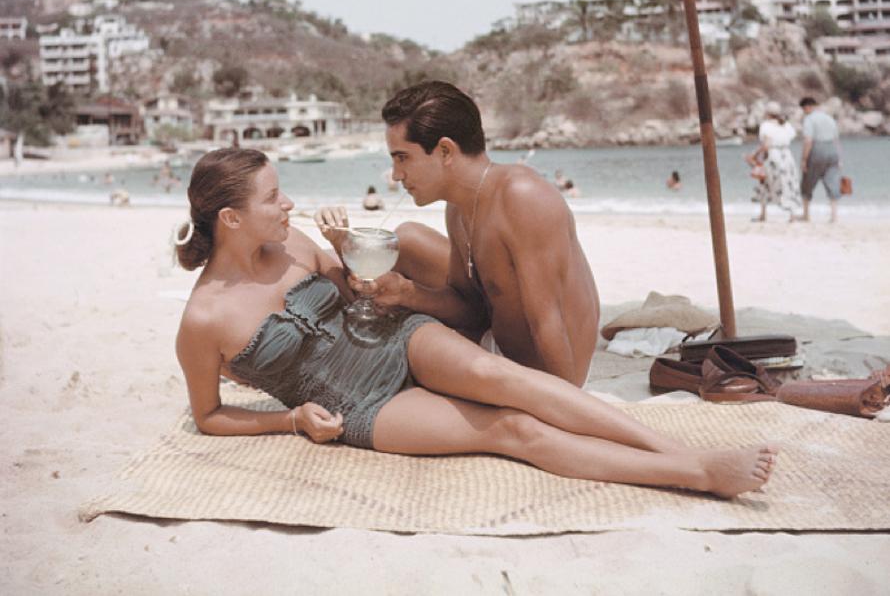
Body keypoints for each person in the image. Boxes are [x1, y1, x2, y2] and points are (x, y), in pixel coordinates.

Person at [173, 148, 777, 499]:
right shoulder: (201, 321)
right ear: (230, 218)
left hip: (393, 339)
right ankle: (693, 472)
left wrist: (343, 247)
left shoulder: (296, 244)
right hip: (354, 403)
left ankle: (675, 445)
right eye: (273, 197)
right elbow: (209, 416)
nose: (287, 204)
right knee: (512, 431)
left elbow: (359, 291)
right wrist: (291, 419)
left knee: (504, 378)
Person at [317, 81, 600, 387]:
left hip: (543, 372)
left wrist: (567, 406)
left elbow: (549, 323)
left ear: (445, 151)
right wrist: (405, 292)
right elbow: (471, 309)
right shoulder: (459, 208)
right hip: (495, 344)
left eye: (402, 158)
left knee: (381, 361)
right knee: (393, 243)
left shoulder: (523, 196)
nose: (397, 175)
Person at [747, 101, 802, 223]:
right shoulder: (786, 125)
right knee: (789, 183)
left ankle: (763, 214)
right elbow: (792, 137)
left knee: (765, 182)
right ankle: (792, 215)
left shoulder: (766, 126)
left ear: (767, 113)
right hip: (787, 155)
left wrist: (755, 154)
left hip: (773, 155)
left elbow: (766, 145)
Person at [798, 97, 842, 223]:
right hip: (833, 150)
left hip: (818, 149)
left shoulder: (809, 119)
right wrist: (839, 158)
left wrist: (804, 159)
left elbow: (808, 141)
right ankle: (834, 216)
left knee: (808, 181)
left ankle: (806, 215)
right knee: (832, 181)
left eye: (803, 109)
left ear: (807, 107)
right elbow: (836, 140)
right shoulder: (829, 118)